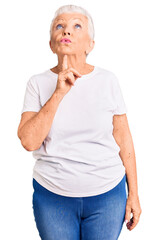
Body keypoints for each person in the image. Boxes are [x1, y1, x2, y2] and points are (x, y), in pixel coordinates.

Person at [17, 4, 142, 240]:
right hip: (53, 197)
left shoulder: (108, 81)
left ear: (90, 44)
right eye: (59, 26)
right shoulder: (37, 83)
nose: (66, 31)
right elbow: (28, 141)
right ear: (52, 44)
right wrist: (58, 93)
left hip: (107, 196)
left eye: (77, 26)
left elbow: (124, 138)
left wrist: (133, 193)